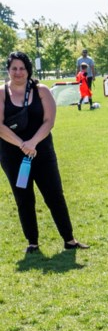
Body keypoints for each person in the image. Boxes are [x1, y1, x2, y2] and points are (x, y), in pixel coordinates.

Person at [1, 52, 88, 255]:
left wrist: (33, 143)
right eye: (14, 68)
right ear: (8, 70)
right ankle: (33, 242)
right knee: (23, 198)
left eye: (22, 68)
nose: (18, 72)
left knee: (54, 194)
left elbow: (49, 121)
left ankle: (69, 239)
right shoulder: (1, 93)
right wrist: (22, 144)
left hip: (42, 151)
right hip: (13, 155)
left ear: (28, 70)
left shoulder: (41, 91)